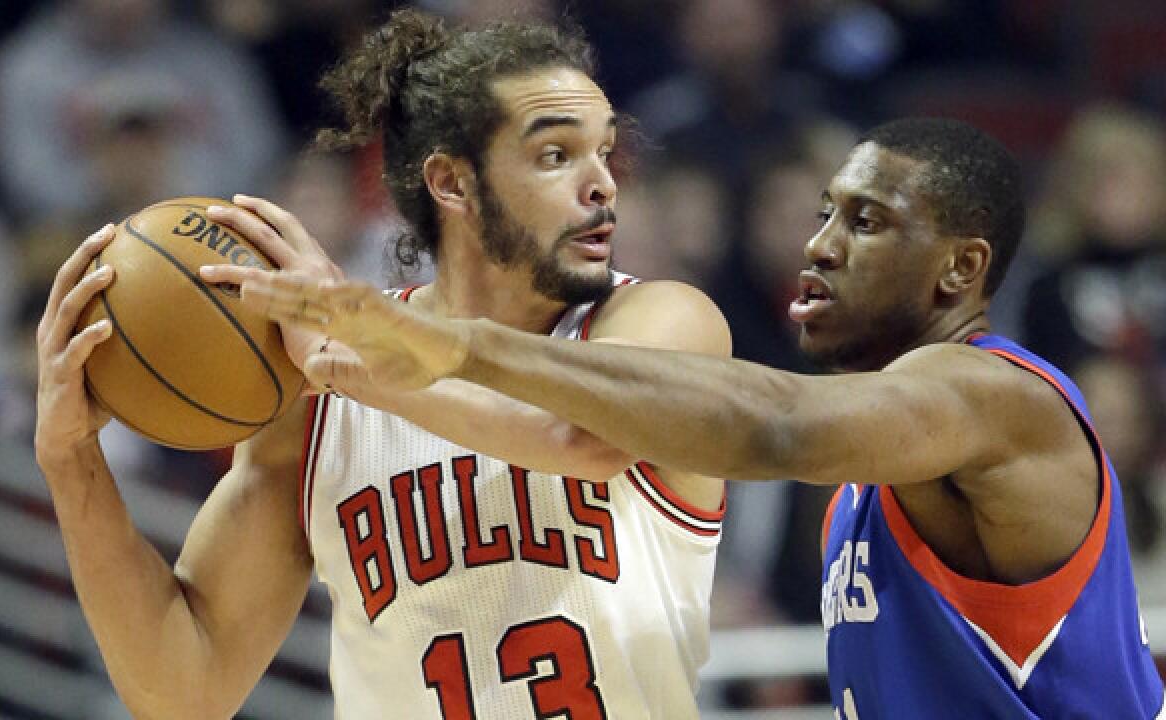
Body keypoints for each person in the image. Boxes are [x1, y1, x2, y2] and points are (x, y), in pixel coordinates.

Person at [223, 117, 1166, 718]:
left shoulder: (1001, 397)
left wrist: (453, 346)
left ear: (962, 269)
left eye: (865, 222)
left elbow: (774, 426)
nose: (820, 244)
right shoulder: (868, 484)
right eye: (825, 213)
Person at [36, 9, 731, 719]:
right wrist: (70, 462)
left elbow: (580, 439)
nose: (603, 184)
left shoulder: (665, 323)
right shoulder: (312, 398)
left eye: (605, 153)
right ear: (452, 183)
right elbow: (181, 691)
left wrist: (352, 366)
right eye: (557, 156)